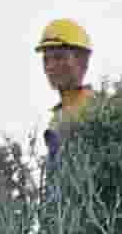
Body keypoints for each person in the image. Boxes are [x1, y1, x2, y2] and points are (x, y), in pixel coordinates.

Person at [35, 18, 96, 166]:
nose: (50, 66)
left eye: (59, 57)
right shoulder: (58, 116)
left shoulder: (95, 108)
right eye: (46, 59)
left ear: (83, 61)